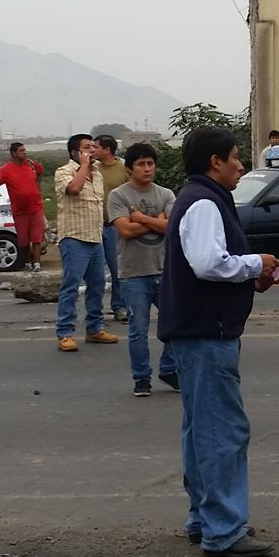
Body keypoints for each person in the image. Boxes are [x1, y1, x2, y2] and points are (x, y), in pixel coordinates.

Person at [161, 126, 279, 557]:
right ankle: (224, 529)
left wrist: (250, 277)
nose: (240, 165)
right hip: (206, 334)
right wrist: (255, 263)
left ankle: (205, 519)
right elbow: (209, 263)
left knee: (201, 431)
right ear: (215, 161)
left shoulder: (199, 199)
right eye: (234, 157)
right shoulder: (204, 202)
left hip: (198, 331)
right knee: (222, 432)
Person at [108, 142, 181, 397]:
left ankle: (169, 369)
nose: (147, 168)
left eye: (150, 163)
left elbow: (173, 227)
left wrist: (141, 219)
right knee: (138, 330)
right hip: (133, 274)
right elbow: (125, 231)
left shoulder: (166, 193)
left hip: (164, 270)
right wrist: (158, 221)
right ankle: (141, 378)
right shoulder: (118, 196)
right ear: (129, 169)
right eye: (141, 164)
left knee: (176, 324)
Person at [53, 134, 119, 352]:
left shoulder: (97, 173)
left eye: (93, 147)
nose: (92, 151)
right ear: (75, 152)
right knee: (71, 286)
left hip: (95, 237)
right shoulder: (64, 171)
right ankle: (65, 333)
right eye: (87, 148)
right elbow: (73, 189)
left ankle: (94, 328)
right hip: (74, 237)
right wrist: (83, 166)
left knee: (97, 285)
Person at [0, 142, 48, 269]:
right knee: (24, 240)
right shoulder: (6, 170)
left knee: (37, 238)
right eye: (21, 151)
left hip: (36, 207)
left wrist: (37, 186)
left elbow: (40, 171)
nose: (24, 152)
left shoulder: (31, 164)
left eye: (25, 150)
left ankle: (36, 264)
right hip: (20, 210)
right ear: (14, 153)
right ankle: (27, 263)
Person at [95, 135, 132, 323]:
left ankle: (119, 307)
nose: (93, 150)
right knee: (95, 273)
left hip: (114, 226)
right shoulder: (92, 168)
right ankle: (95, 311)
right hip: (93, 226)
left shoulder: (123, 168)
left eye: (96, 147)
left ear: (107, 149)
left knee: (118, 269)